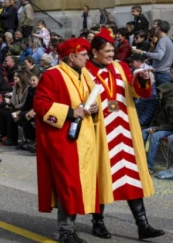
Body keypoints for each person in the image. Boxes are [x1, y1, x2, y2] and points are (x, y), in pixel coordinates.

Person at [84, 28, 163, 240]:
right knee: (100, 175)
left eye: (112, 50)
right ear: (94, 52)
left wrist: (143, 79)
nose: (111, 54)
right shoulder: (85, 71)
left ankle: (143, 225)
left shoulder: (120, 67)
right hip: (99, 129)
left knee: (131, 175)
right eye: (107, 51)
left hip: (124, 128)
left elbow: (137, 91)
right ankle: (97, 223)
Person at [34, 38, 109, 243]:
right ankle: (65, 231)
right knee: (68, 185)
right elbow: (40, 105)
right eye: (83, 55)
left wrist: (94, 109)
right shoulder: (52, 75)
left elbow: (91, 104)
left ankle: (72, 227)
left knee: (77, 185)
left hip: (84, 139)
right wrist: (69, 112)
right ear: (71, 56)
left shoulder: (85, 74)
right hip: (63, 139)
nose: (88, 58)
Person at [142, 82, 173, 170]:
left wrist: (155, 129)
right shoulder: (161, 103)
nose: (159, 93)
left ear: (167, 93)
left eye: (161, 92)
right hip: (160, 128)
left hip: (171, 129)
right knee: (143, 132)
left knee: (155, 136)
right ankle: (140, 160)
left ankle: (150, 166)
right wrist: (151, 127)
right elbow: (155, 118)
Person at [134, 20, 173, 86]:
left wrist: (142, 52)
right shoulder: (168, 40)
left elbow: (159, 56)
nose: (155, 29)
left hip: (161, 74)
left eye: (156, 28)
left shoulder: (162, 40)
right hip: (164, 73)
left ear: (159, 29)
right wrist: (150, 58)